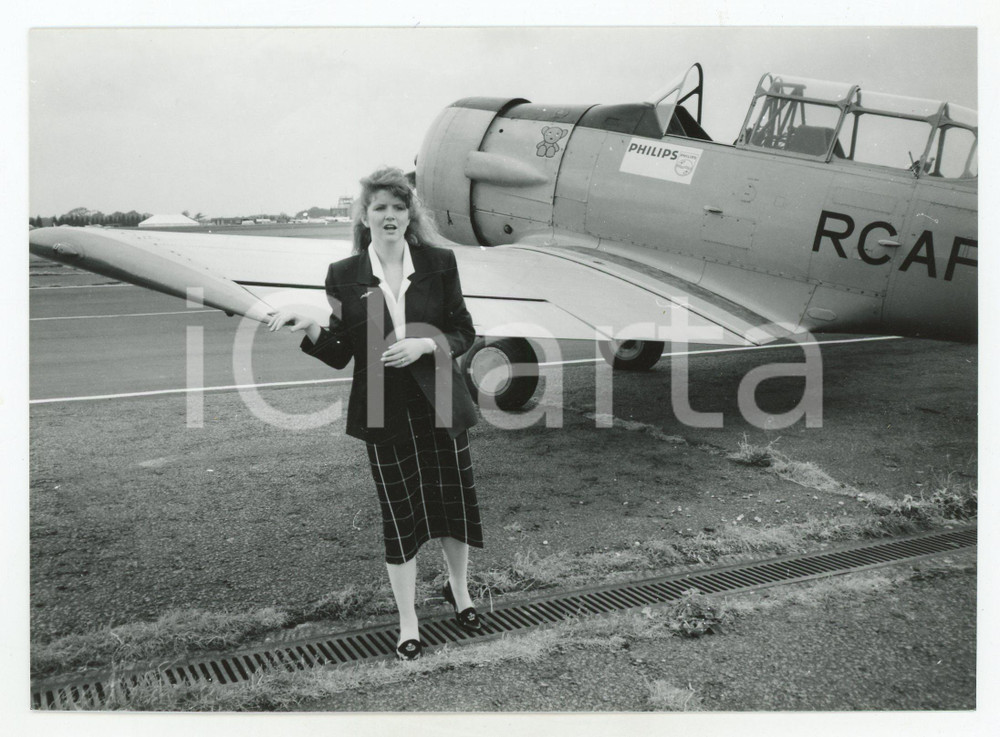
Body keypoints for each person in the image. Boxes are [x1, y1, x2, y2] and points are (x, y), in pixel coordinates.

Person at [267, 167, 483, 661]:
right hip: (384, 411)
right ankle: (408, 620)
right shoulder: (343, 275)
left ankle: (460, 592)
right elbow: (342, 352)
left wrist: (426, 344)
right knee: (401, 516)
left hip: (441, 401)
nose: (390, 215)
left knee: (452, 507)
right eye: (380, 207)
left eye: (399, 207)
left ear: (410, 215)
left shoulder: (440, 262)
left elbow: (464, 332)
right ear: (364, 216)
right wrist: (311, 326)